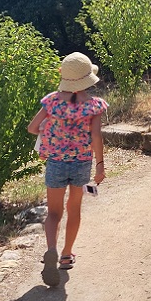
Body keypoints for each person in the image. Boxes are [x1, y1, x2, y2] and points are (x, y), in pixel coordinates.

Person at [27, 52, 108, 287]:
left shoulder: (51, 101)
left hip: (55, 163)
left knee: (53, 213)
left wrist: (48, 128)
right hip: (81, 163)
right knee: (74, 209)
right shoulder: (94, 106)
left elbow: (32, 128)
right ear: (87, 78)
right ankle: (66, 255)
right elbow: (96, 136)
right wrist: (100, 166)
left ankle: (51, 249)